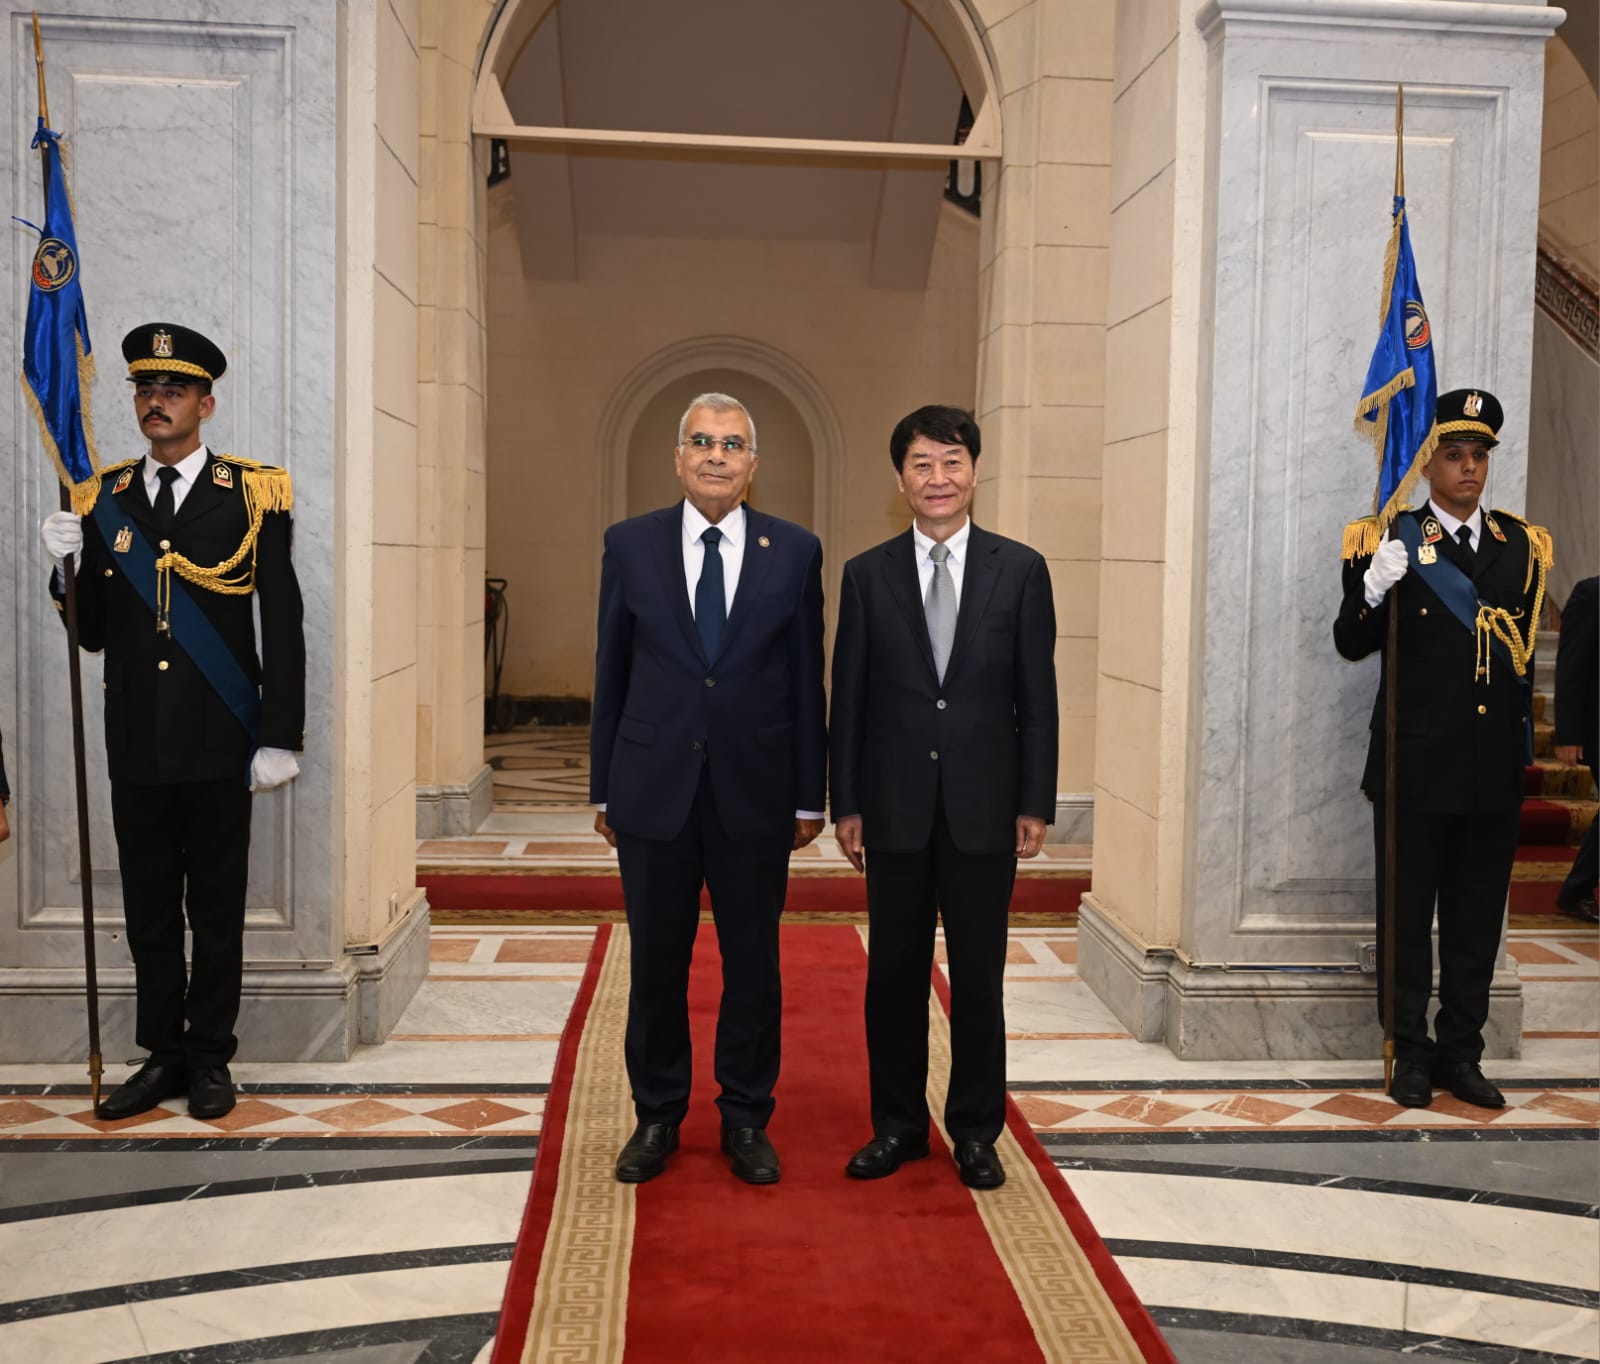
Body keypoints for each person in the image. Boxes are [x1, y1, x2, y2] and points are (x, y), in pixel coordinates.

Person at [39, 323, 305, 1122]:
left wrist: (280, 734)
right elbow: (94, 634)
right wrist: (66, 573)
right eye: (146, 390)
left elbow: (282, 620)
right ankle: (162, 1055)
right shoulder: (104, 497)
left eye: (174, 390)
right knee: (149, 909)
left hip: (222, 735)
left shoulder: (252, 493)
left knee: (216, 907)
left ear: (205, 404)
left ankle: (210, 1055)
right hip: (137, 738)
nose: (157, 402)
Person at [591, 392, 826, 1185]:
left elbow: (806, 679)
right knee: (657, 963)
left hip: (755, 791)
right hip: (652, 788)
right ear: (678, 457)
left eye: (731, 444)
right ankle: (657, 1115)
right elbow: (612, 668)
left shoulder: (795, 551)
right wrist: (603, 788)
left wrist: (809, 796)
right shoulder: (630, 544)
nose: (715, 455)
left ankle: (746, 1117)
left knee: (752, 965)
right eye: (701, 441)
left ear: (753, 463)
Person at [830, 405, 1058, 1190]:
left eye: (951, 462)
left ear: (974, 471)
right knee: (893, 975)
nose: (938, 478)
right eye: (922, 464)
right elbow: (849, 700)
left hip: (984, 809)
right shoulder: (866, 575)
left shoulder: (1019, 570)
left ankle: (975, 1131)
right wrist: (847, 802)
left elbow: (1037, 697)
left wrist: (1035, 801)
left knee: (979, 977)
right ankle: (896, 1127)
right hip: (892, 809)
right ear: (900, 479)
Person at [1334, 388, 1551, 1110]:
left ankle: (1461, 1052)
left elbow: (1516, 662)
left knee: (1475, 922)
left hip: (1491, 767)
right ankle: (1409, 1050)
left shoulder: (1521, 547)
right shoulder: (1388, 540)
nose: (1468, 469)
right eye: (1454, 455)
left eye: (1478, 456)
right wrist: (1373, 588)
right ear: (1426, 464)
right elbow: (1349, 642)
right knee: (1405, 919)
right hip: (1414, 764)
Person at [1553, 576, 1598, 922]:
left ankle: (1576, 889)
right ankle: (1576, 891)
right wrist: (1568, 734)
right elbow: (1572, 666)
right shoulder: (1591, 594)